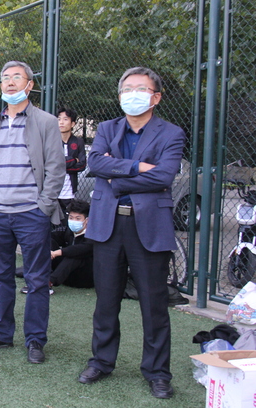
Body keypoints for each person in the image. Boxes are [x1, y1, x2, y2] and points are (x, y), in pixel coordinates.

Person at [77, 67, 185, 400]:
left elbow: (164, 176)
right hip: (109, 225)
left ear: (156, 97)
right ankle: (101, 361)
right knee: (106, 301)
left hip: (149, 226)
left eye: (141, 88)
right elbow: (96, 164)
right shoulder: (107, 128)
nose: (132, 94)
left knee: (154, 305)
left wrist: (116, 178)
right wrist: (138, 167)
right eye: (127, 88)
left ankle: (157, 372)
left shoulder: (171, 133)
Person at [0, 61, 65, 364]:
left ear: (30, 85)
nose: (10, 82)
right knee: (0, 278)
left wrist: (43, 207)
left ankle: (35, 340)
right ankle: (1, 333)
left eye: (16, 77)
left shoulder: (46, 122)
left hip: (31, 214)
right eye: (5, 78)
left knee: (37, 280)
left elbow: (56, 169)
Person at [48, 199, 94, 290]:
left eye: (78, 218)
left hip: (84, 278)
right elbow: (51, 236)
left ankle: (48, 283)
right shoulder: (68, 231)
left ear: (87, 220)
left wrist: (57, 252)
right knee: (48, 241)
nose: (73, 221)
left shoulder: (93, 235)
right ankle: (40, 275)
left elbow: (82, 249)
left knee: (75, 256)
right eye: (71, 217)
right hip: (65, 274)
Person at [57, 107, 86, 214]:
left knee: (67, 219)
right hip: (52, 191)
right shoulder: (50, 140)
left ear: (73, 124)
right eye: (59, 119)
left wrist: (61, 166)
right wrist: (73, 160)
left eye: (65, 119)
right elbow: (50, 164)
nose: (61, 122)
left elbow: (82, 165)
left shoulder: (78, 142)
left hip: (69, 192)